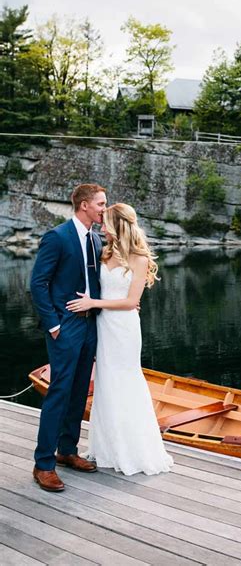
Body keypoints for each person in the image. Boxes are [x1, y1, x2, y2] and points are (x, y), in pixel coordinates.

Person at [66, 203, 173, 476]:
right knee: (106, 382)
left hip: (123, 328)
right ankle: (107, 448)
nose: (102, 226)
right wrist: (92, 303)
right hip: (103, 325)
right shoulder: (105, 252)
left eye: (106, 222)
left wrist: (92, 303)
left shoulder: (139, 258)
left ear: (119, 225)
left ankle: (133, 449)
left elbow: (130, 302)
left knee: (126, 380)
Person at [30, 183, 107, 492]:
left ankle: (67, 451)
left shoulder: (96, 240)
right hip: (66, 325)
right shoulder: (57, 237)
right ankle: (43, 464)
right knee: (60, 393)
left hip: (91, 325)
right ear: (84, 205)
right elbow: (38, 284)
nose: (104, 208)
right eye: (101, 203)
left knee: (78, 391)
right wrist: (54, 325)